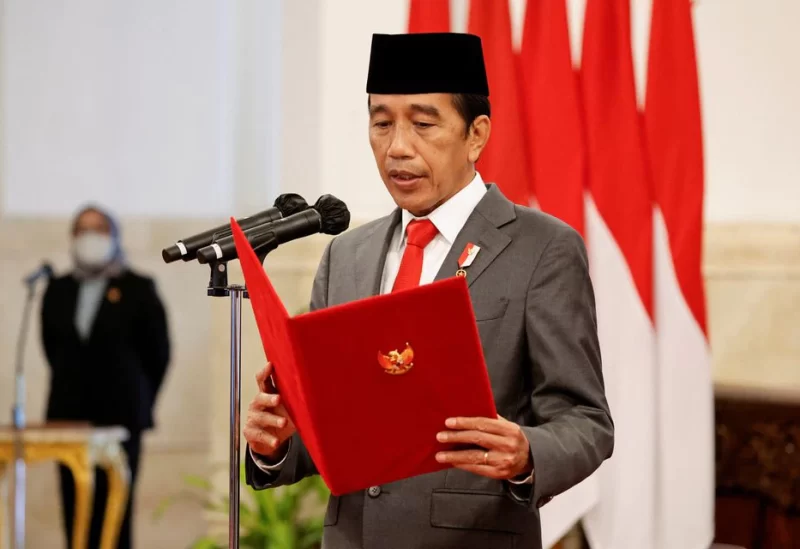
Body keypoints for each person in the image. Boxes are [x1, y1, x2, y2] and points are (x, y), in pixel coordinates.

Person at [243, 33, 613, 549]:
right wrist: (278, 443)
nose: (397, 147)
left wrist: (528, 451)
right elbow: (334, 430)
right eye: (381, 123)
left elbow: (586, 420)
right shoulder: (346, 257)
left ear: (476, 135)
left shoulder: (542, 249)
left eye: (422, 124)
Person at [40, 204, 171, 549]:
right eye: (82, 229)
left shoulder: (138, 288)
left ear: (114, 236)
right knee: (74, 509)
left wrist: (139, 397)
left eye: (98, 229)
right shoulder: (58, 289)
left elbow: (158, 354)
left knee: (115, 512)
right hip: (68, 416)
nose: (90, 237)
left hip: (121, 416)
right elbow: (52, 348)